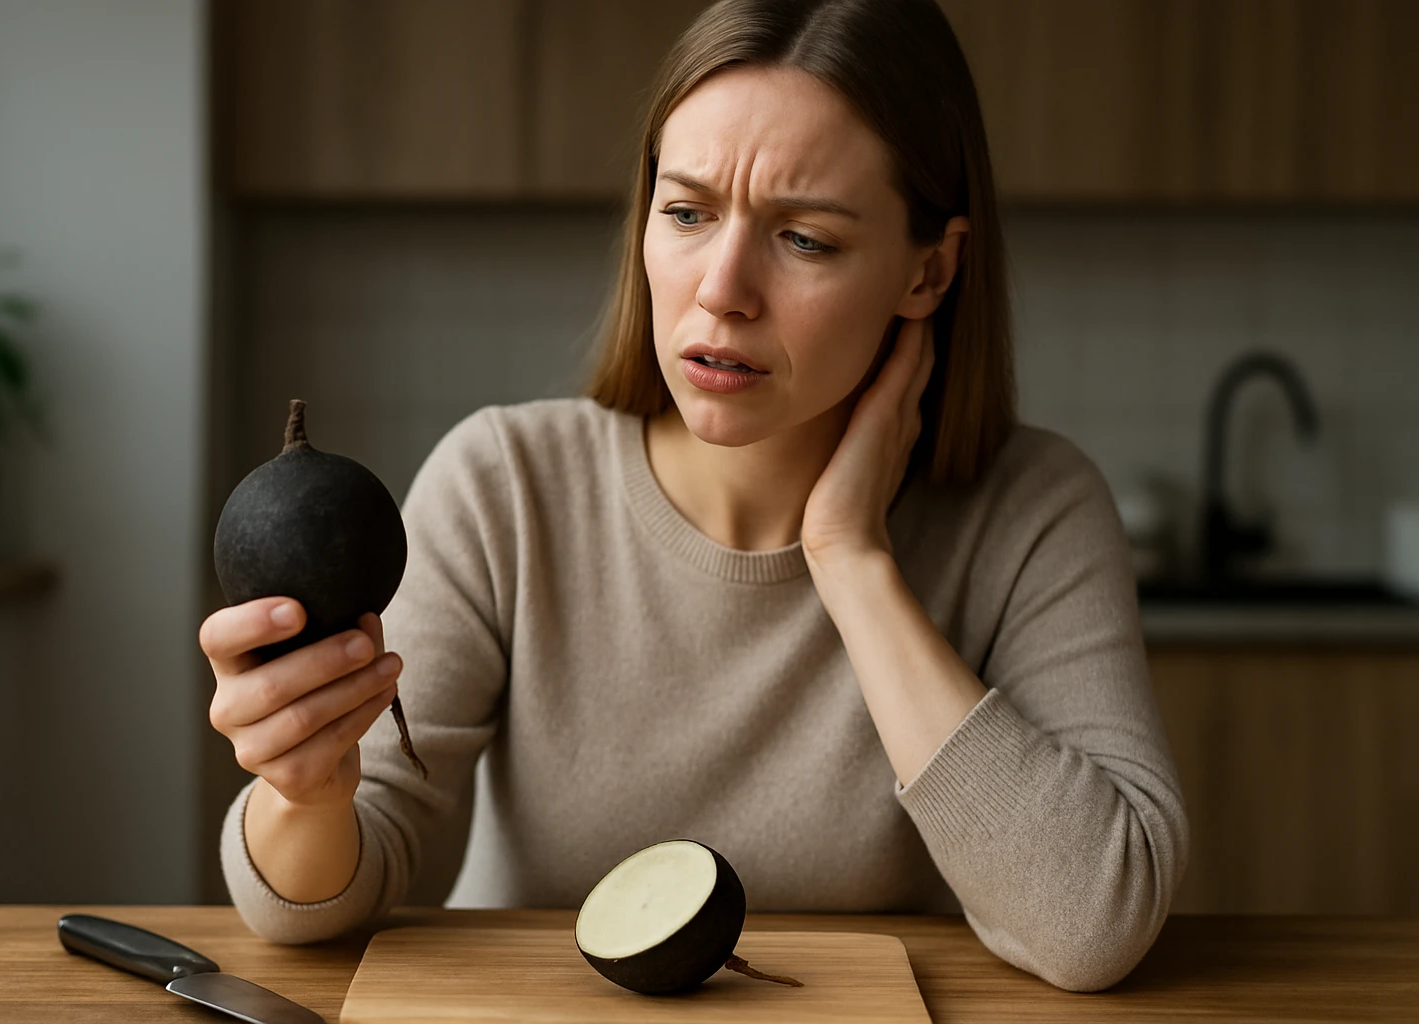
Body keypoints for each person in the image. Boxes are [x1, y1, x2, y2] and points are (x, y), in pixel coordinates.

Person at [201, 0, 1187, 993]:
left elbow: (1091, 924)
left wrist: (851, 556)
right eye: (686, 212)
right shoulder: (506, 485)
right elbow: (310, 907)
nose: (723, 288)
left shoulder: (1032, 511)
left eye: (803, 237)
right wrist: (305, 792)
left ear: (928, 271)